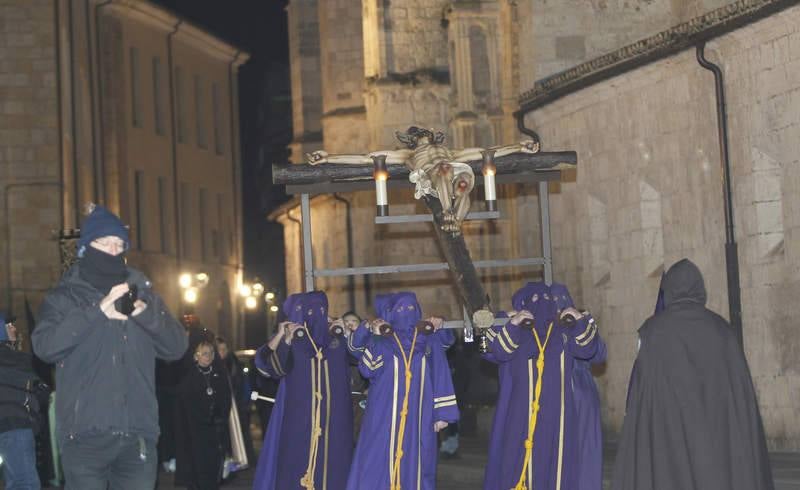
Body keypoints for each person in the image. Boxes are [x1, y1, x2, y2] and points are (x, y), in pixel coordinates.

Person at [31, 203, 188, 490]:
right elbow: (44, 347)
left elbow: (177, 347)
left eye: (119, 245)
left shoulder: (143, 295)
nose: (113, 251)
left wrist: (143, 313)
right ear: (86, 248)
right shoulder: (64, 298)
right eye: (105, 243)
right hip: (84, 437)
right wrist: (98, 310)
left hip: (137, 435)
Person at [612, 259, 774, 490]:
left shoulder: (653, 332)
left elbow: (642, 395)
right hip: (719, 440)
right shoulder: (723, 331)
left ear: (669, 290)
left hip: (669, 439)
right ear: (700, 288)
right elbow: (741, 398)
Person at [481, 282, 602, 490]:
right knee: (520, 469)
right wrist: (512, 322)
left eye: (546, 300)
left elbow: (590, 350)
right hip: (521, 420)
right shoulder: (518, 332)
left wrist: (579, 321)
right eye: (534, 301)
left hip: (561, 420)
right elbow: (496, 351)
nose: (542, 305)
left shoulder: (563, 334)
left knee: (559, 470)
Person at [346, 292, 459, 490]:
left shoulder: (428, 340)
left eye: (410, 308)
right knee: (377, 458)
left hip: (419, 413)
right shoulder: (382, 341)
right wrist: (375, 338)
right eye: (400, 309)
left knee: (418, 460)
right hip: (384, 413)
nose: (406, 313)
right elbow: (367, 369)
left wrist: (442, 413)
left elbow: (440, 371)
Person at [252, 291, 353, 490]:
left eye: (321, 310)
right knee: (296, 464)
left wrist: (350, 335)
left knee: (333, 468)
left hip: (334, 422)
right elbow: (269, 367)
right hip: (300, 419)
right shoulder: (293, 341)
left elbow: (361, 360)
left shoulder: (337, 341)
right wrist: (284, 338)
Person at [551, 283, 606, 490]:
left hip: (582, 398)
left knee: (586, 456)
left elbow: (599, 354)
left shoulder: (579, 322)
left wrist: (582, 321)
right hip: (557, 398)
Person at [174, 338, 232, 490]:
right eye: (204, 353)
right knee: (198, 470)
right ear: (196, 356)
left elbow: (226, 398)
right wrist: (203, 415)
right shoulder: (188, 378)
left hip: (215, 431)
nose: (208, 356)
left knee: (213, 469)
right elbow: (186, 406)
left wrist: (219, 414)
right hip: (196, 432)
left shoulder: (219, 374)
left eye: (211, 353)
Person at [0, 313, 48, 490]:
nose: (14, 329)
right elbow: (40, 389)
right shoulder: (13, 359)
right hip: (14, 423)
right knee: (24, 482)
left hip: (10, 424)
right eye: (9, 325)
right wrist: (32, 396)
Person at [216, 336, 252, 471]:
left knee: (237, 433)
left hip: (235, 404)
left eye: (224, 349)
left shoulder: (232, 364)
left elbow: (240, 384)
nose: (222, 352)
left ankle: (236, 460)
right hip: (224, 406)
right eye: (219, 349)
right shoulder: (216, 365)